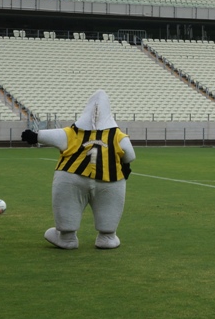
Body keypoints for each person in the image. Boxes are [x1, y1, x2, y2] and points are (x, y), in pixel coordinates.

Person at [21, 90, 136, 249]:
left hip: (72, 175)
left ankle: (67, 238)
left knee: (68, 204)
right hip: (110, 179)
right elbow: (130, 155)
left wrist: (35, 136)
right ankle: (107, 237)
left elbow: (52, 136)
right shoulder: (118, 136)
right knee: (109, 207)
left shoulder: (72, 133)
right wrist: (126, 166)